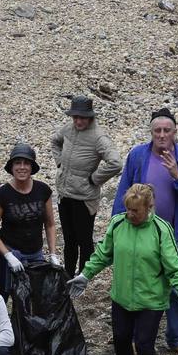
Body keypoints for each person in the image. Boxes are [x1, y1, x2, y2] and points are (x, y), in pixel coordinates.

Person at [69, 184, 178, 355]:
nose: (130, 214)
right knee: (120, 338)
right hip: (122, 296)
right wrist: (85, 275)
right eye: (127, 209)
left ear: (149, 207)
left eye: (135, 210)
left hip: (151, 299)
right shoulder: (118, 224)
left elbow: (175, 266)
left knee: (144, 345)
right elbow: (103, 254)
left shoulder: (161, 229)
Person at [112, 108, 178, 355]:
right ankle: (133, 338)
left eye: (167, 130)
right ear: (151, 132)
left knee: (176, 286)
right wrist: (116, 225)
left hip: (171, 236)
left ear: (175, 132)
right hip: (138, 232)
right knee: (137, 284)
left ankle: (176, 338)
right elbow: (124, 191)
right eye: (157, 131)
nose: (162, 135)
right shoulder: (137, 156)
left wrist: (177, 175)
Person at [50, 95, 123, 276]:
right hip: (65, 194)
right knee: (69, 239)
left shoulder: (98, 137)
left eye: (82, 117)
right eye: (75, 117)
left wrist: (94, 179)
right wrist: (59, 163)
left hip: (84, 198)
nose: (78, 121)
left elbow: (116, 163)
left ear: (90, 117)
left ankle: (84, 276)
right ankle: (68, 274)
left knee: (84, 240)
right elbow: (55, 141)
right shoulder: (68, 128)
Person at [0, 143, 60, 298]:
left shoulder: (43, 190)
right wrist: (8, 255)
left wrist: (53, 254)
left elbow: (50, 224)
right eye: (17, 163)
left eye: (26, 163)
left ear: (32, 167)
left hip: (35, 255)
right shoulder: (2, 194)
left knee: (32, 301)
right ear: (11, 167)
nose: (22, 167)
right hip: (7, 254)